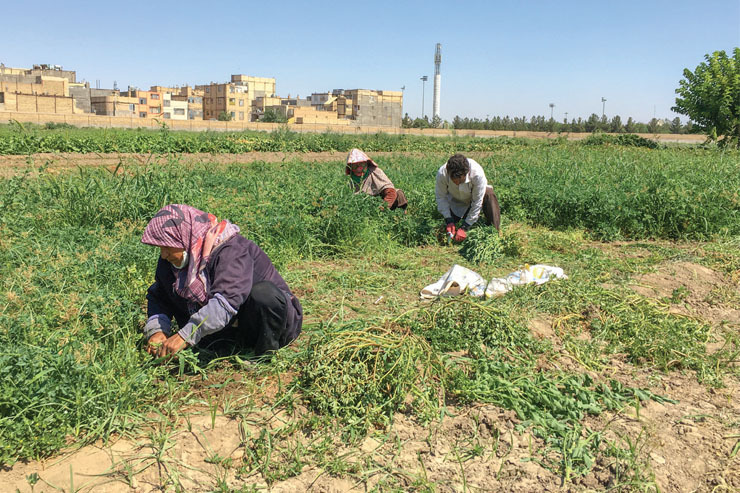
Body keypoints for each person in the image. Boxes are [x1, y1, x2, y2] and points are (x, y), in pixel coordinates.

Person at [141, 204, 302, 359]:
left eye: (167, 247)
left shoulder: (230, 250)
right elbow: (160, 295)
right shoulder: (171, 263)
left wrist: (185, 335)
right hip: (234, 327)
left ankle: (263, 355)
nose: (163, 255)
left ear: (183, 238)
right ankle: (227, 344)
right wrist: (157, 331)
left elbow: (226, 302)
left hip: (273, 322)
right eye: (160, 248)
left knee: (263, 295)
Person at [435, 153, 500, 242]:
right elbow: (441, 197)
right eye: (454, 180)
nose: (457, 183)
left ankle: (494, 233)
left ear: (466, 172)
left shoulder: (477, 173)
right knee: (449, 226)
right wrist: (448, 220)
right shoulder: (442, 173)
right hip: (454, 202)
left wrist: (465, 227)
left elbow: (477, 202)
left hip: (471, 201)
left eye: (460, 180)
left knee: (489, 193)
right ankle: (459, 221)